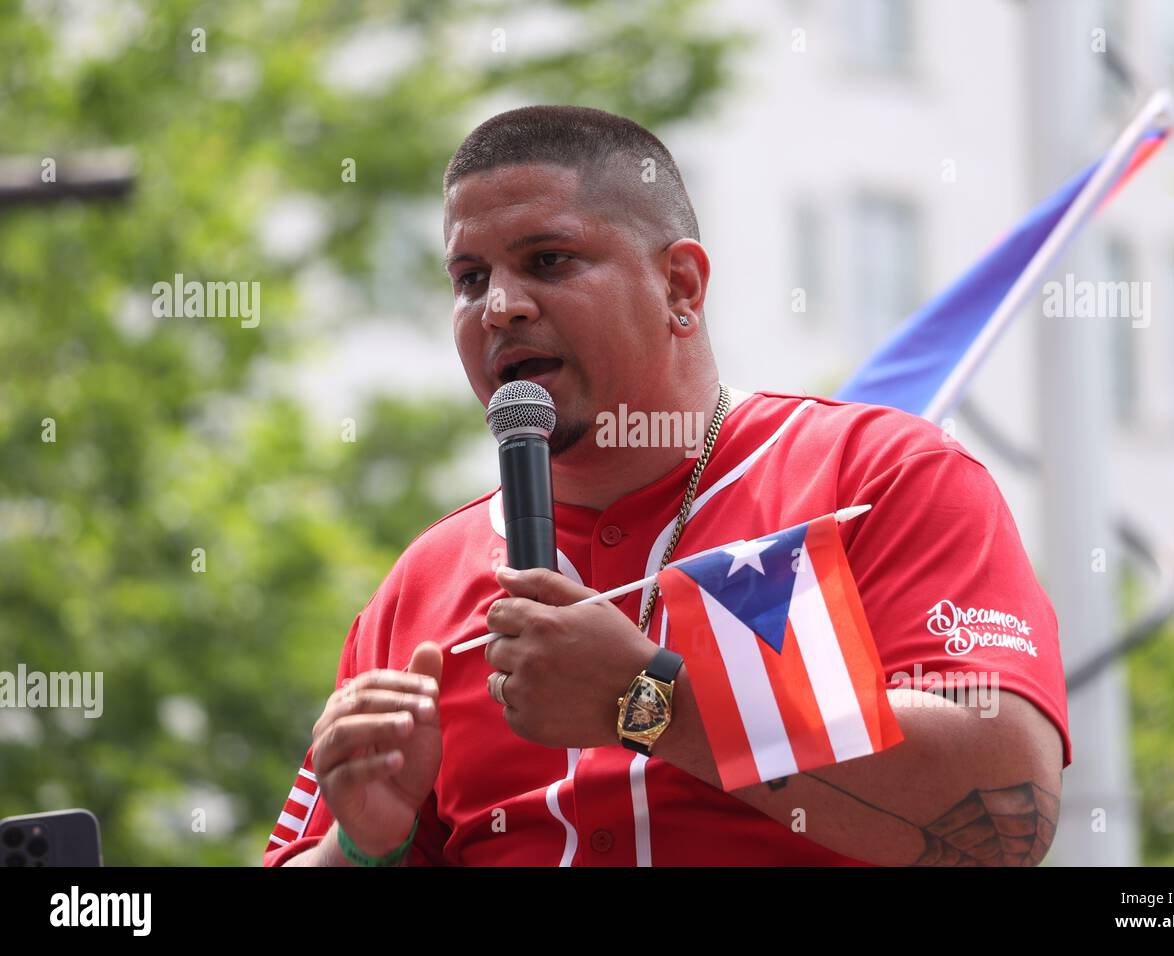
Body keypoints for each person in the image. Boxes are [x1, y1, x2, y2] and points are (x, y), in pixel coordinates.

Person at [263, 105, 1070, 867]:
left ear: (681, 286)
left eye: (548, 261)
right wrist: (365, 846)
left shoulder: (873, 476)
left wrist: (646, 700)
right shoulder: (420, 587)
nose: (500, 308)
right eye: (470, 279)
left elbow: (1006, 814)